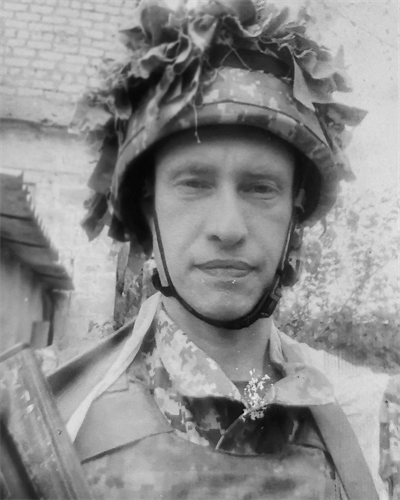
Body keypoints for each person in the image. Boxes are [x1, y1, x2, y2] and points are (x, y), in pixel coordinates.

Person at [51, 1, 399, 499]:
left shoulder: (371, 423)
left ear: (296, 212)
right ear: (148, 209)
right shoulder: (45, 418)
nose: (229, 228)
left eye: (260, 188)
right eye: (194, 184)